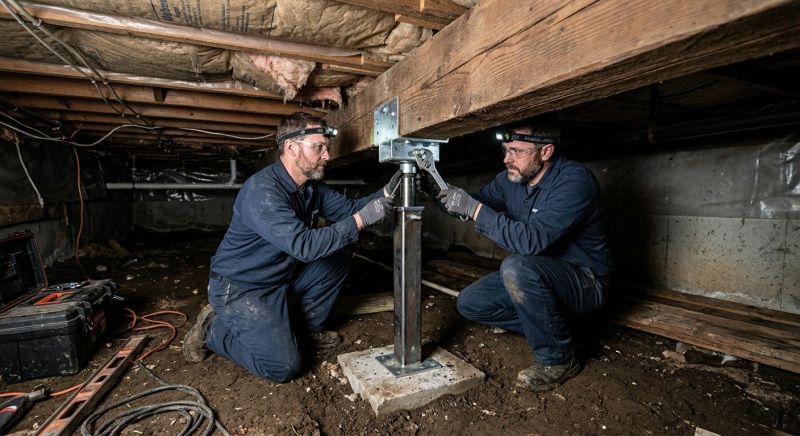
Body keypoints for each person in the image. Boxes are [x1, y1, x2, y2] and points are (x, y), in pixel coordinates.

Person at [182, 112, 400, 383]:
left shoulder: (311, 188)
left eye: (326, 148)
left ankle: (306, 332)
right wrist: (361, 220)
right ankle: (213, 329)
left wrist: (389, 192)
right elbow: (304, 246)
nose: (327, 155)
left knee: (336, 262)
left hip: (280, 277)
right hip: (242, 288)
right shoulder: (262, 191)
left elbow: (351, 210)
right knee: (282, 367)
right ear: (291, 147)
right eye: (318, 147)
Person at [436, 115, 612, 392]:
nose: (507, 159)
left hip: (584, 281)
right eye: (506, 151)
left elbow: (531, 242)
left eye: (516, 152)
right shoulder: (509, 181)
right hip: (538, 277)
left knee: (517, 266)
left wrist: (473, 209)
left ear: (546, 151)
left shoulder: (574, 182)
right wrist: (442, 193)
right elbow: (475, 202)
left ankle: (559, 359)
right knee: (471, 303)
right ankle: (561, 333)